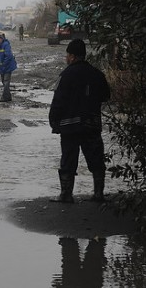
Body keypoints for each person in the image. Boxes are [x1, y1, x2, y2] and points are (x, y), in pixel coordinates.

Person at [49, 39, 111, 203]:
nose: (66, 58)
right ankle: (98, 194)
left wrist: (54, 121)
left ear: (72, 56)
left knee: (68, 160)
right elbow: (106, 96)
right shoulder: (97, 74)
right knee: (96, 158)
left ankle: (66, 195)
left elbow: (58, 101)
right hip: (92, 124)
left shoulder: (66, 75)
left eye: (67, 55)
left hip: (70, 127)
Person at [0, 33, 17, 102]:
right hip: (2, 66)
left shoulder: (6, 45)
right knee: (4, 82)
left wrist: (3, 64)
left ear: (2, 39)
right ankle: (8, 97)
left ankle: (4, 97)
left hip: (8, 66)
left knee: (6, 82)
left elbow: (9, 56)